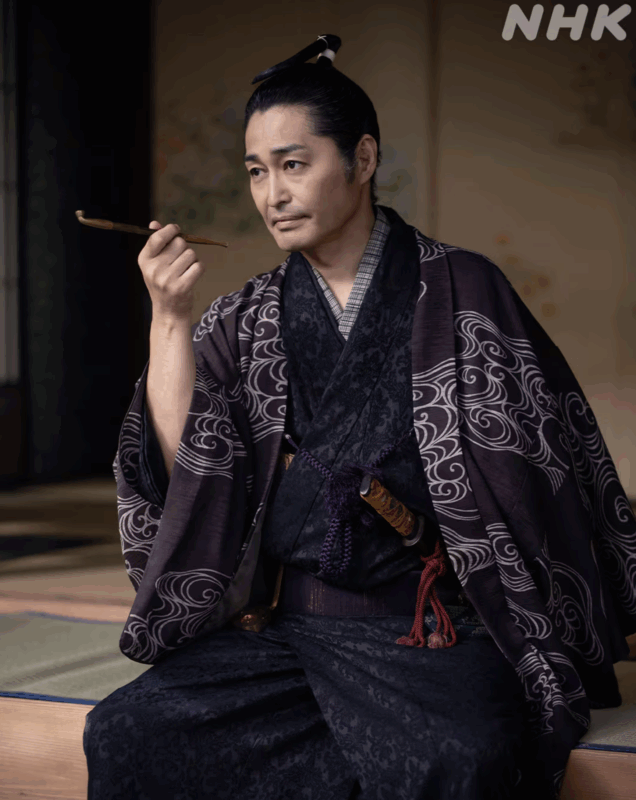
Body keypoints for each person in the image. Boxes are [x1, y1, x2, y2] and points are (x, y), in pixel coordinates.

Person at [83, 34, 636, 799]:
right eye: (256, 171)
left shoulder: (463, 289)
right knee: (127, 730)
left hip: (434, 628)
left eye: (293, 164)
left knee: (459, 758)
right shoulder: (246, 317)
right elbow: (190, 475)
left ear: (364, 158)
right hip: (294, 631)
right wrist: (171, 319)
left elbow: (540, 457)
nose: (272, 193)